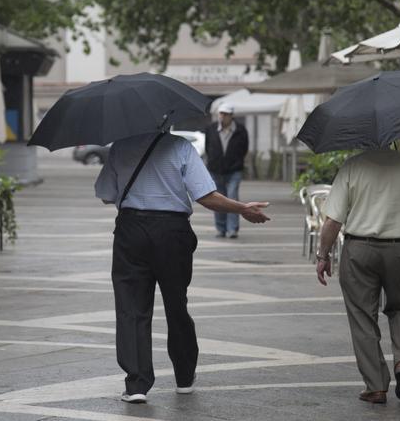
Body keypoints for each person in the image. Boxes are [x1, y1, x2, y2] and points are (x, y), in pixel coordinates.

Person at [95, 131, 270, 404]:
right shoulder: (180, 147)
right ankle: (184, 376)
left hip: (131, 230)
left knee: (131, 308)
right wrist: (242, 208)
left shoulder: (120, 146)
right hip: (172, 231)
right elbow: (206, 196)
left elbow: (105, 193)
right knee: (176, 304)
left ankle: (137, 384)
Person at [315, 146, 400, 405]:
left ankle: (376, 386)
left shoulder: (353, 166)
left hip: (359, 249)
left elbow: (333, 220)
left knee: (362, 316)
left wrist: (323, 255)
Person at [204, 103, 249, 238]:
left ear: (231, 116)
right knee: (217, 200)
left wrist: (236, 162)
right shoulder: (211, 129)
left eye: (226, 114)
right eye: (221, 113)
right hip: (215, 169)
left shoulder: (240, 130)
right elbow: (208, 147)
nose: (222, 117)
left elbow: (244, 149)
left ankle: (232, 229)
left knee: (233, 197)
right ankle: (221, 228)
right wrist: (213, 161)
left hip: (234, 170)